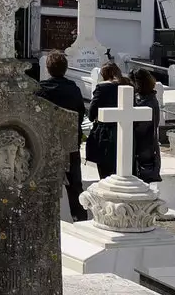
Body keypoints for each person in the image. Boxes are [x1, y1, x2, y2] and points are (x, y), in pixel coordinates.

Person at [37, 50, 89, 222]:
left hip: (47, 145)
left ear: (48, 68)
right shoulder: (73, 89)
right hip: (70, 143)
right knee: (75, 186)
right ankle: (80, 218)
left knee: (45, 185)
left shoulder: (41, 90)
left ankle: (45, 220)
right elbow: (80, 114)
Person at [86, 61, 127, 180]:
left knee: (105, 173)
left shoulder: (102, 88)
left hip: (106, 135)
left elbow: (92, 112)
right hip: (125, 133)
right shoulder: (128, 85)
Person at [131, 68, 163, 185]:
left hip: (144, 146)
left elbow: (142, 127)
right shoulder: (149, 98)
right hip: (146, 145)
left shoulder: (146, 101)